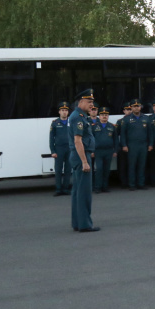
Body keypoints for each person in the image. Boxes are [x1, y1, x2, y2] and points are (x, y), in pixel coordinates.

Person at [69, 89, 99, 232]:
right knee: (84, 192)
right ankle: (85, 224)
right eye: (89, 102)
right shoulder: (78, 117)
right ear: (81, 101)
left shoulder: (79, 116)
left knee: (77, 191)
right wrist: (85, 162)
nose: (91, 105)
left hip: (78, 156)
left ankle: (77, 223)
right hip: (81, 156)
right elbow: (77, 141)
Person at [121, 99, 151, 191]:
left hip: (143, 145)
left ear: (140, 107)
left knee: (142, 165)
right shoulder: (126, 119)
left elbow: (150, 133)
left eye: (138, 106)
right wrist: (124, 145)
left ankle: (141, 183)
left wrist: (150, 144)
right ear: (132, 108)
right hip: (132, 145)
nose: (136, 108)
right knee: (132, 165)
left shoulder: (146, 118)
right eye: (134, 106)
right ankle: (132, 184)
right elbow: (123, 134)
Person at [92, 106, 117, 193]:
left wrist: (115, 150)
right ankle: (97, 187)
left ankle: (105, 187)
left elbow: (115, 140)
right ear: (99, 116)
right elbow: (91, 140)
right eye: (102, 115)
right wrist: (92, 151)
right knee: (99, 169)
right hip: (98, 151)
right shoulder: (94, 126)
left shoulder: (112, 126)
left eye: (106, 115)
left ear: (108, 116)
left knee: (107, 170)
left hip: (109, 151)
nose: (104, 116)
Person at [49, 101, 72, 196]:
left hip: (70, 148)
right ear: (59, 112)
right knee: (58, 170)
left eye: (66, 110)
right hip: (59, 149)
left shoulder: (71, 122)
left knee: (68, 169)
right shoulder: (55, 123)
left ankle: (66, 188)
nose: (64, 112)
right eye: (62, 110)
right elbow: (51, 138)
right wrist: (53, 151)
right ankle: (58, 189)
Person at [115, 101, 132, 188]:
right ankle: (123, 182)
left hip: (132, 146)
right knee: (123, 166)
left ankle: (131, 181)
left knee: (131, 165)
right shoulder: (120, 122)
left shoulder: (134, 120)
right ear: (124, 111)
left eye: (130, 109)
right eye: (127, 109)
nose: (129, 111)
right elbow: (115, 135)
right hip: (123, 146)